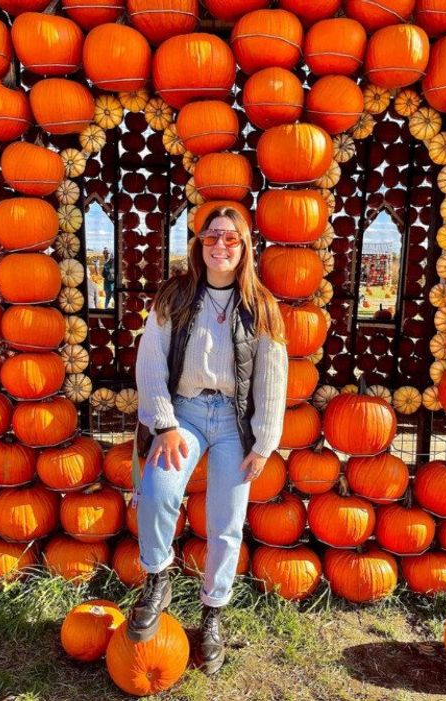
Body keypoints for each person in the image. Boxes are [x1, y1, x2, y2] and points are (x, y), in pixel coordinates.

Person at [131, 207, 287, 674]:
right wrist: (164, 424)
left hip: (234, 421)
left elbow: (273, 375)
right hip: (185, 414)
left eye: (231, 238)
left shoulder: (261, 305)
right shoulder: (175, 295)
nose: (221, 245)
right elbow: (150, 359)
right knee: (157, 493)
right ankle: (158, 577)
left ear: (245, 247)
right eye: (212, 236)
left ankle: (213, 612)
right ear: (199, 244)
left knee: (226, 523)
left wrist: (264, 442)